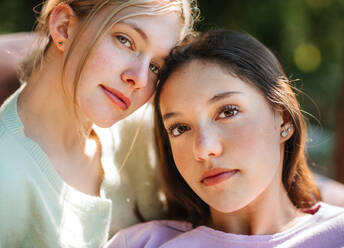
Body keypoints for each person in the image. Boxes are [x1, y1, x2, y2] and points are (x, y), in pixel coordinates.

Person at [106, 30, 344, 247]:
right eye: (179, 128)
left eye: (227, 111)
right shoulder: (141, 243)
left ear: (284, 119)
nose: (204, 148)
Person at [0, 0, 199, 247]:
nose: (138, 78)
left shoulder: (152, 136)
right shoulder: (6, 174)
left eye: (155, 67)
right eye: (125, 40)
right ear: (64, 27)